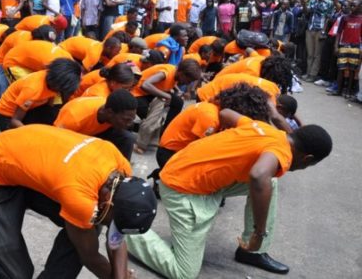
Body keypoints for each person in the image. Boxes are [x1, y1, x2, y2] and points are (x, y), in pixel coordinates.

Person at [126, 110, 332, 279]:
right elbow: (259, 175)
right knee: (184, 273)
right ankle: (125, 228)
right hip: (181, 187)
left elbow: (225, 113)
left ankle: (250, 252)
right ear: (307, 159)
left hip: (189, 170)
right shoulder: (283, 153)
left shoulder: (267, 130)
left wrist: (218, 147)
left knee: (271, 183)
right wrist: (258, 233)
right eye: (308, 166)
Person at [0, 124, 157, 278]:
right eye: (114, 222)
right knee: (17, 273)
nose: (113, 227)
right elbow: (90, 257)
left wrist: (120, 276)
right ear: (109, 200)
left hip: (29, 169)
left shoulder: (122, 172)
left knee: (89, 227)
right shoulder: (80, 198)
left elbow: (116, 239)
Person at [132, 59, 202, 154]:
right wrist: (166, 96)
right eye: (187, 80)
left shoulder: (176, 75)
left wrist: (176, 91)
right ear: (181, 73)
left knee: (178, 102)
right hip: (138, 94)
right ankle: (138, 133)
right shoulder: (166, 72)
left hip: (151, 93)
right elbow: (145, 85)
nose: (187, 84)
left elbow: (169, 84)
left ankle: (165, 131)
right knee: (151, 119)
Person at [0, 58, 81, 130]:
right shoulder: (33, 89)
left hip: (28, 108)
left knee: (53, 116)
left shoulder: (52, 80)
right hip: (7, 115)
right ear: (58, 84)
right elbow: (15, 121)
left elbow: (49, 106)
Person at [54, 89, 137, 160]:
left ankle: (121, 174)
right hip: (71, 139)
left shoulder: (112, 110)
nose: (129, 124)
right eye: (126, 120)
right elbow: (57, 143)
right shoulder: (74, 117)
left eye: (131, 119)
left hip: (93, 133)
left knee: (128, 138)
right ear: (110, 112)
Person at [331, 0, 362, 97]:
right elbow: (339, 32)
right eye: (351, 5)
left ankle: (348, 91)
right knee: (341, 69)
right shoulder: (345, 18)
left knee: (352, 70)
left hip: (355, 47)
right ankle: (338, 90)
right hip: (344, 45)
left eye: (354, 5)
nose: (352, 7)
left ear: (360, 7)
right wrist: (336, 46)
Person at [303, 0, 333, 82]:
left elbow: (329, 18)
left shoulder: (329, 3)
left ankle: (313, 75)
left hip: (320, 29)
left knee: (317, 54)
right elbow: (307, 12)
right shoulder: (313, 0)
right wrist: (304, 4)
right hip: (310, 29)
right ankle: (308, 73)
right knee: (310, 54)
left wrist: (324, 31)